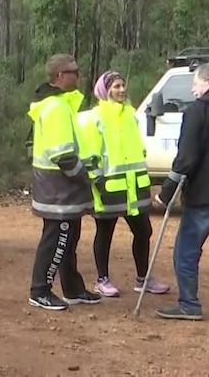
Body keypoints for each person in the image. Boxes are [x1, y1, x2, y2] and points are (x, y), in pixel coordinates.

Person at [78, 71, 169, 298]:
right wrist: (96, 180)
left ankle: (143, 279)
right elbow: (89, 152)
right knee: (105, 232)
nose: (121, 90)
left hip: (134, 188)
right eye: (116, 86)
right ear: (104, 90)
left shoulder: (131, 115)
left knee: (144, 230)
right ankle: (102, 280)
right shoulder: (95, 117)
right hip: (108, 187)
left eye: (122, 85)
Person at [27, 54, 101, 311]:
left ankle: (73, 288)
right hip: (58, 189)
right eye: (74, 71)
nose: (78, 76)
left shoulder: (61, 105)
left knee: (69, 239)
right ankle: (40, 291)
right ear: (60, 76)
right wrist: (85, 176)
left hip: (63, 189)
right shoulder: (55, 107)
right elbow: (63, 155)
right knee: (57, 240)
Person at [155, 62, 209, 321]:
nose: (193, 88)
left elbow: (186, 158)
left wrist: (166, 193)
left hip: (202, 196)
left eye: (196, 83)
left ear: (206, 83)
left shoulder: (197, 111)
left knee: (186, 252)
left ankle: (189, 304)